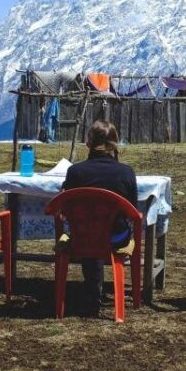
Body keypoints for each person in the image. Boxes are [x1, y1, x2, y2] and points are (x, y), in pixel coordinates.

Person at [62, 120, 138, 316]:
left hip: (82, 236)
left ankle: (91, 291)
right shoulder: (126, 172)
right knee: (105, 230)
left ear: (88, 142)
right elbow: (132, 211)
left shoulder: (75, 172)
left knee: (89, 231)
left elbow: (65, 207)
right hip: (115, 237)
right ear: (115, 144)